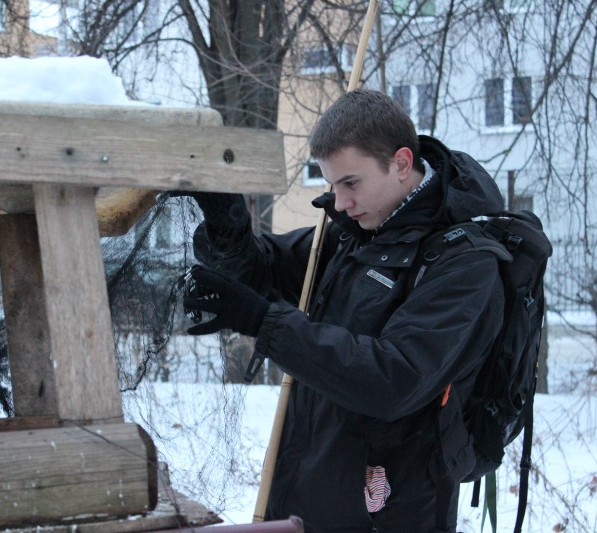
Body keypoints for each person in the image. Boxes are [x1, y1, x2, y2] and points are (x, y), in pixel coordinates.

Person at [179, 88, 506, 532]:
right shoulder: (354, 234)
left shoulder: (464, 261)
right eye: (332, 185)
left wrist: (263, 321)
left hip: (390, 515)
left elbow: (393, 379)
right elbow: (263, 271)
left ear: (402, 163)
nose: (340, 202)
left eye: (351, 183)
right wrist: (227, 227)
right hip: (303, 500)